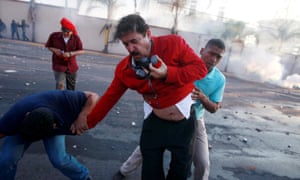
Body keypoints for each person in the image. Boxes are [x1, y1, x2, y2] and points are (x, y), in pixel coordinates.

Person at [79, 14, 208, 180]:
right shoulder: (124, 69)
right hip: (154, 123)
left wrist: (168, 72)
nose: (131, 49)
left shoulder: (173, 44)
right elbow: (109, 98)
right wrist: (86, 123)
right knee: (150, 173)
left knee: (180, 172)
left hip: (184, 124)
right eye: (126, 44)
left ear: (148, 33)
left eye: (135, 41)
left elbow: (200, 69)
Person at [113, 39, 226, 180]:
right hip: (165, 114)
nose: (214, 59)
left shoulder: (219, 79)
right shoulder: (184, 62)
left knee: (202, 162)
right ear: (202, 51)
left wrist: (203, 98)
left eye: (219, 57)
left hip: (195, 118)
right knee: (146, 149)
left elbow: (214, 108)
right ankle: (124, 171)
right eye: (211, 54)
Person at [0, 90, 99, 180]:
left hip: (50, 126)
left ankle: (84, 177)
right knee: (6, 159)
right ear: (27, 114)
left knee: (59, 160)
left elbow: (93, 95)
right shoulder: (15, 116)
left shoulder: (68, 100)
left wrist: (83, 114)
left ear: (54, 125)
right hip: (23, 129)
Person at [45, 17, 84, 90]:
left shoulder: (76, 38)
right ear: (62, 30)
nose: (66, 34)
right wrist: (55, 50)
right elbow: (48, 46)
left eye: (68, 32)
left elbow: (81, 51)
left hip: (71, 66)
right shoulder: (54, 36)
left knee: (71, 88)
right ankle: (59, 100)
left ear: (72, 31)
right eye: (64, 31)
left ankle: (69, 100)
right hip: (59, 65)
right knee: (60, 85)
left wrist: (70, 54)